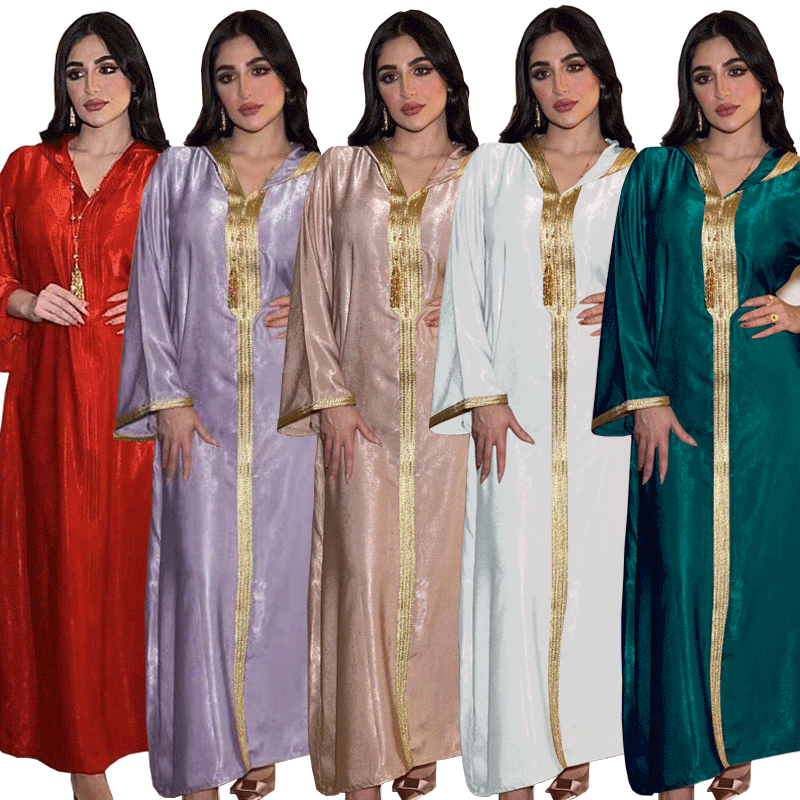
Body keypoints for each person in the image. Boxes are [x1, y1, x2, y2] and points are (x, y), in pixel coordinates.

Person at [592, 10, 800, 800]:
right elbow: (631, 285)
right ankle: (682, 760)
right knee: (675, 577)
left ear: (764, 80)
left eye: (736, 71)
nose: (722, 90)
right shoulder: (659, 173)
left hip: (769, 415)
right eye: (703, 76)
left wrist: (796, 311)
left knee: (756, 577)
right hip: (672, 413)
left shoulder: (794, 176)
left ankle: (733, 733)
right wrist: (644, 398)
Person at [429, 7, 635, 800]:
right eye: (542, 72)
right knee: (510, 579)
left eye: (574, 66)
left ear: (602, 74)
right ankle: (517, 760)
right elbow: (465, 284)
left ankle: (572, 737)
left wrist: (630, 307)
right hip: (509, 416)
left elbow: (671, 281)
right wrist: (481, 395)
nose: (560, 86)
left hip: (602, 420)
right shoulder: (495, 167)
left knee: (592, 579)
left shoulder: (638, 175)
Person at [114, 10, 318, 800]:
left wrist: (313, 309)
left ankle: (258, 740)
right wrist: (166, 397)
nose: (245, 90)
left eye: (260, 70)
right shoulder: (180, 172)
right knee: (198, 583)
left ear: (288, 78)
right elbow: (152, 286)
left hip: (287, 425)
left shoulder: (322, 177)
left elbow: (355, 286)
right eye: (227, 76)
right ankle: (203, 760)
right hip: (194, 420)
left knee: (278, 582)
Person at [278, 10, 478, 800]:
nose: (407, 89)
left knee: (437, 580)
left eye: (421, 70)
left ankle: (419, 740)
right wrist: (328, 397)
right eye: (389, 76)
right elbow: (314, 286)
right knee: (361, 582)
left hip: (448, 420)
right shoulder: (343, 170)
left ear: (450, 78)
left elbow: (507, 287)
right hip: (357, 418)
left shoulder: (484, 174)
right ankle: (366, 765)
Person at [0, 12, 167, 800]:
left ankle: (174, 746)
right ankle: (84, 771)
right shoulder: (26, 168)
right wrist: (26, 300)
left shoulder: (169, 173)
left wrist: (163, 307)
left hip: (140, 415)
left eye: (107, 67)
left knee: (139, 578)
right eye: (76, 71)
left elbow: (219, 286)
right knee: (62, 573)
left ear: (134, 74)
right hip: (50, 412)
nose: (92, 86)